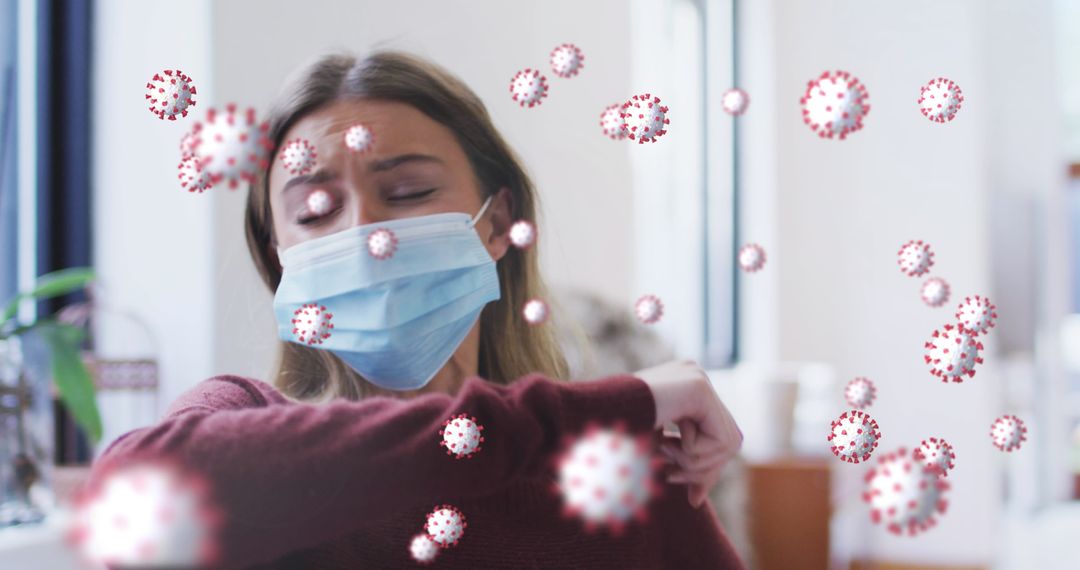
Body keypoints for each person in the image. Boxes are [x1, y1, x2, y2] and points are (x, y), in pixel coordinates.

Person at [87, 51, 746, 569]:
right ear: (280, 256)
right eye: (315, 211)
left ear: (499, 224)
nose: (365, 235)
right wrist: (595, 409)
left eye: (408, 191)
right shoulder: (239, 421)